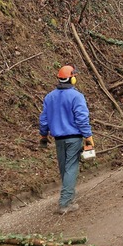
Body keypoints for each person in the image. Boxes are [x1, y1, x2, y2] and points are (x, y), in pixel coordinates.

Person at [39, 65, 94, 214]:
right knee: (70, 169)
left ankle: (69, 198)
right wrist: (88, 138)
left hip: (58, 139)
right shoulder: (76, 96)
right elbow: (82, 119)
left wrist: (43, 136)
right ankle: (65, 203)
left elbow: (43, 119)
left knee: (65, 169)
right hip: (74, 138)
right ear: (73, 78)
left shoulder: (49, 97)